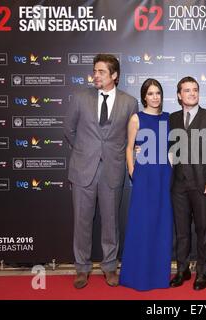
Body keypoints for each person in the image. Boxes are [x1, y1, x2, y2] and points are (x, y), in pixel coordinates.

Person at [64, 54, 138, 289]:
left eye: (101, 72)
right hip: (83, 169)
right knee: (82, 222)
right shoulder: (80, 98)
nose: (96, 75)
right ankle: (82, 268)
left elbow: (131, 138)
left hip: (113, 170)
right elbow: (69, 130)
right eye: (94, 71)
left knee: (111, 222)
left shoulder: (129, 102)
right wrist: (86, 151)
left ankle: (109, 267)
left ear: (114, 76)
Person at [168, 77, 206, 291]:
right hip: (178, 185)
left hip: (203, 184)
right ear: (179, 95)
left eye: (195, 90)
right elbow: (170, 148)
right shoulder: (172, 118)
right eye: (187, 90)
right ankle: (182, 270)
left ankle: (202, 272)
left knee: (203, 230)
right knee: (181, 231)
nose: (191, 93)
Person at [119, 79, 173, 291]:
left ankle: (159, 276)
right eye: (150, 93)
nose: (155, 97)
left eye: (158, 93)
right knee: (142, 223)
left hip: (164, 175)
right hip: (145, 176)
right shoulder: (136, 118)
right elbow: (129, 147)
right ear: (144, 97)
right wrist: (133, 171)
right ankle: (137, 275)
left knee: (162, 224)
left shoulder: (169, 118)